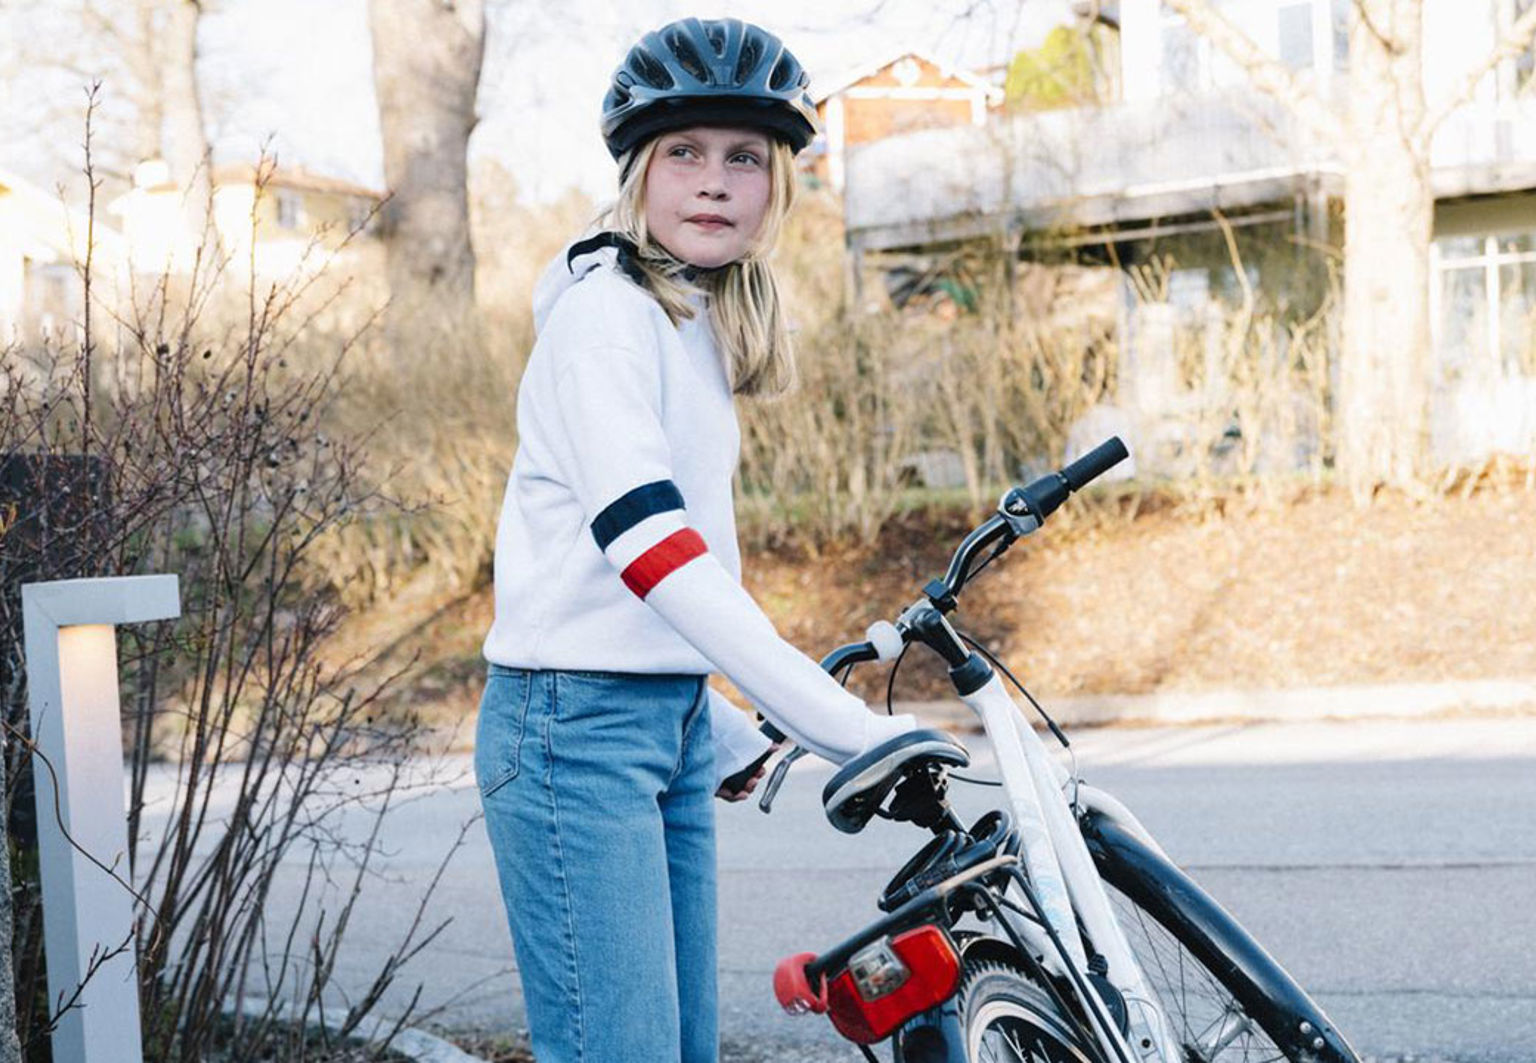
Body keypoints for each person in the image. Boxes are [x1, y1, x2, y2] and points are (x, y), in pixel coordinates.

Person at [475, 17, 915, 1062]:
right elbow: (649, 546)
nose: (713, 181)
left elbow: (627, 577)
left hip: (655, 721)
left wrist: (708, 720)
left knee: (678, 1047)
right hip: (570, 732)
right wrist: (839, 724)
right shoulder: (604, 318)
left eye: (743, 157)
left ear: (777, 186)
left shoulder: (692, 320)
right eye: (684, 151)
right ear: (638, 171)